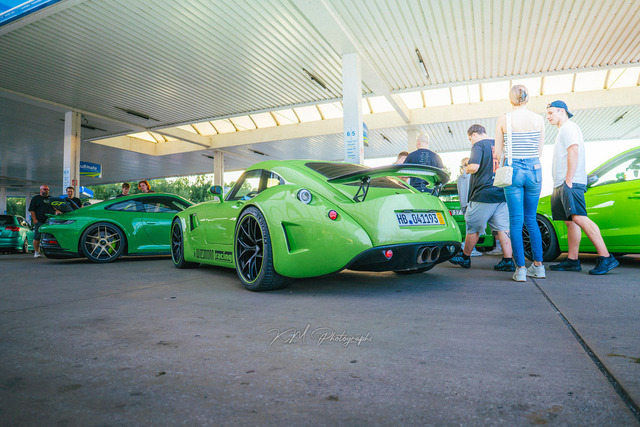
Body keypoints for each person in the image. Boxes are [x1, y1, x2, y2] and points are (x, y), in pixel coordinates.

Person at [546, 100, 619, 275]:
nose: (548, 116)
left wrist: (569, 179)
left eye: (550, 112)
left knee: (579, 217)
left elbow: (574, 151)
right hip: (562, 183)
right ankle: (572, 260)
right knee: (570, 221)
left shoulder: (569, 128)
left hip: (570, 182)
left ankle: (606, 257)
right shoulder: (562, 130)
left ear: (562, 111)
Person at [495, 85, 545, 282]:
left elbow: (499, 152)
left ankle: (521, 269)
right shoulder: (538, 119)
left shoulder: (504, 119)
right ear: (527, 98)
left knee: (515, 221)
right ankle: (539, 267)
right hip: (535, 169)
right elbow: (539, 151)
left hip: (513, 170)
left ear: (511, 99)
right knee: (531, 219)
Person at [450, 125, 514, 271]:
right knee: (503, 228)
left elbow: (474, 167)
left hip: (483, 194)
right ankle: (508, 260)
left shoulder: (479, 145)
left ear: (474, 134)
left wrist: (466, 168)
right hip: (501, 192)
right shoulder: (499, 144)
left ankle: (465, 257)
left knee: (473, 226)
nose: (471, 142)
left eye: (470, 139)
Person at [457, 157, 483, 257]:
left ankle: (469, 247)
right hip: (469, 204)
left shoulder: (462, 177)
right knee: (473, 228)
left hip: (466, 204)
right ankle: (468, 247)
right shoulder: (466, 176)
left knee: (472, 227)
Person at [28, 185, 57, 258]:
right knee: (37, 237)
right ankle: (36, 252)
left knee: (51, 236)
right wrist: (34, 220)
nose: (46, 191)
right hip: (39, 221)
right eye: (44, 189)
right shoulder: (35, 199)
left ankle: (50, 251)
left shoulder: (51, 198)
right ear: (40, 190)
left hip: (50, 222)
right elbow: (32, 210)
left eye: (47, 190)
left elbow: (56, 208)